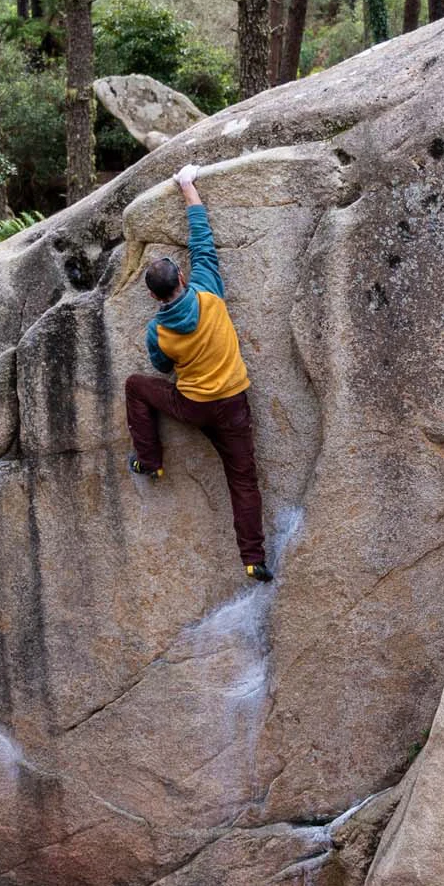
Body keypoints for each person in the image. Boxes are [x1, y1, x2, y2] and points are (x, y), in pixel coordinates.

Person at [126, 166, 272, 581]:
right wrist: (187, 185)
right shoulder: (208, 290)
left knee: (136, 387)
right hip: (234, 405)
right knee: (242, 479)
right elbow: (202, 240)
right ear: (184, 278)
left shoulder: (158, 331)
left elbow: (161, 367)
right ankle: (253, 558)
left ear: (153, 296)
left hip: (192, 405)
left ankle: (150, 461)